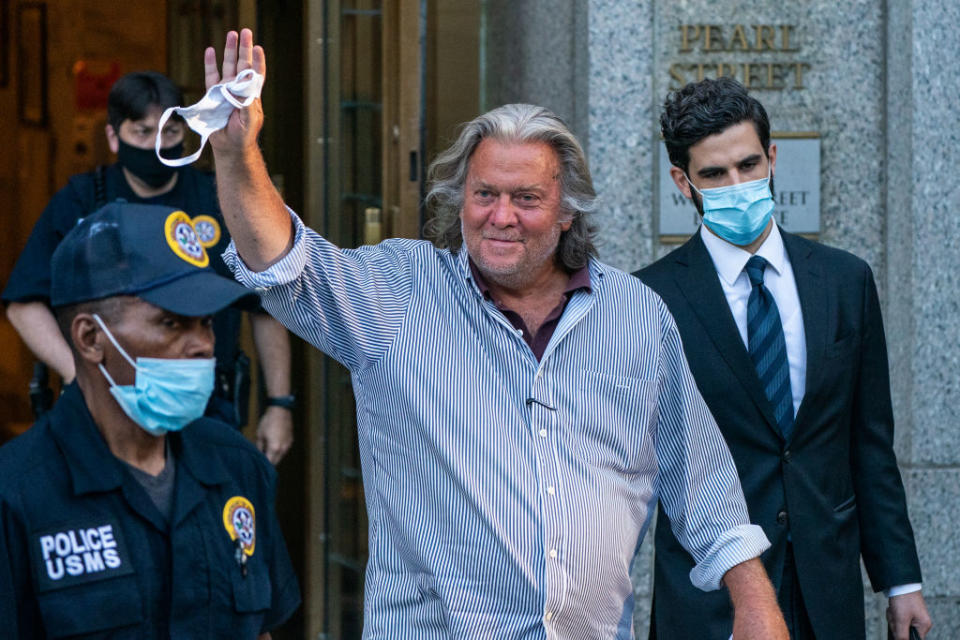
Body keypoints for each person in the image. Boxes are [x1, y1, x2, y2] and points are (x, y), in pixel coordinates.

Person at [201, 29, 788, 638]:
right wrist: (237, 156)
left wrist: (755, 602)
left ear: (567, 212)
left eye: (526, 197)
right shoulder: (399, 294)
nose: (501, 216)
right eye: (484, 194)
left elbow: (700, 477)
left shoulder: (635, 314)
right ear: (460, 202)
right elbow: (280, 261)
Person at [634, 77, 932, 640]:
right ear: (683, 182)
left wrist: (900, 581)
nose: (738, 184)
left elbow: (868, 443)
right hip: (710, 600)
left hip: (827, 586)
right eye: (714, 174)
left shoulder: (845, 281)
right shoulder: (648, 300)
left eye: (749, 165)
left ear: (772, 158)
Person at [0, 202, 300, 638]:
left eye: (206, 323)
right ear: (90, 339)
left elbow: (262, 630)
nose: (202, 345)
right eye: (172, 323)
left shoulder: (237, 466)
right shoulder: (17, 493)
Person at [2, 71, 294, 464]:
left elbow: (265, 304)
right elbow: (24, 303)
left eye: (170, 132)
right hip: (104, 408)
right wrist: (77, 372)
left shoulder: (217, 197)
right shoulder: (83, 201)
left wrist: (279, 403)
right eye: (142, 132)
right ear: (112, 136)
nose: (157, 144)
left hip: (204, 402)